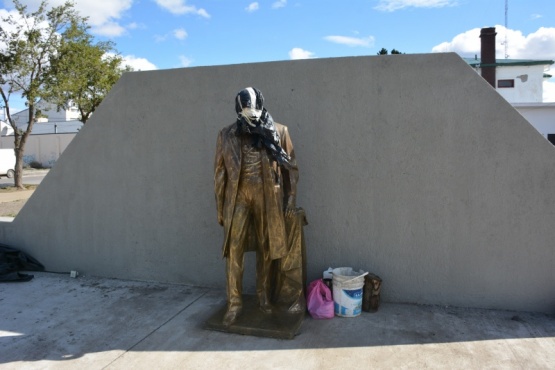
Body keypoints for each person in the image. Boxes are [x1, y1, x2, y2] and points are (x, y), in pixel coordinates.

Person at [214, 87, 298, 326]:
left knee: (266, 247)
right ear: (238, 109)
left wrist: (290, 198)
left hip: (267, 196)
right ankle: (234, 304)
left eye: (254, 111)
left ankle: (263, 298)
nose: (251, 116)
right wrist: (220, 207)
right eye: (246, 111)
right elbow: (219, 173)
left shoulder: (279, 131)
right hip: (237, 197)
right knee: (234, 250)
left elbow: (290, 168)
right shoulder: (226, 134)